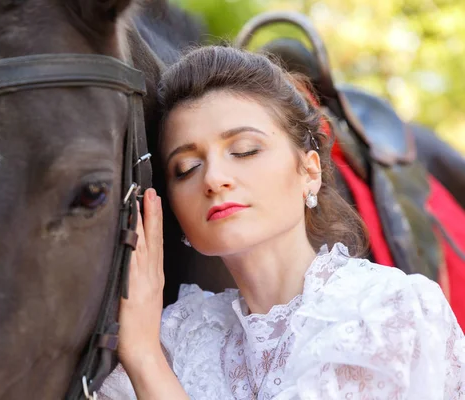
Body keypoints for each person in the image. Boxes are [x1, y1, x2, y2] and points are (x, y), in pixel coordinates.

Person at [98, 46, 465, 399]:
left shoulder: (386, 311)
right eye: (186, 168)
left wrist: (145, 360)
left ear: (309, 171)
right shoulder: (179, 336)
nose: (213, 178)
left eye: (244, 150)